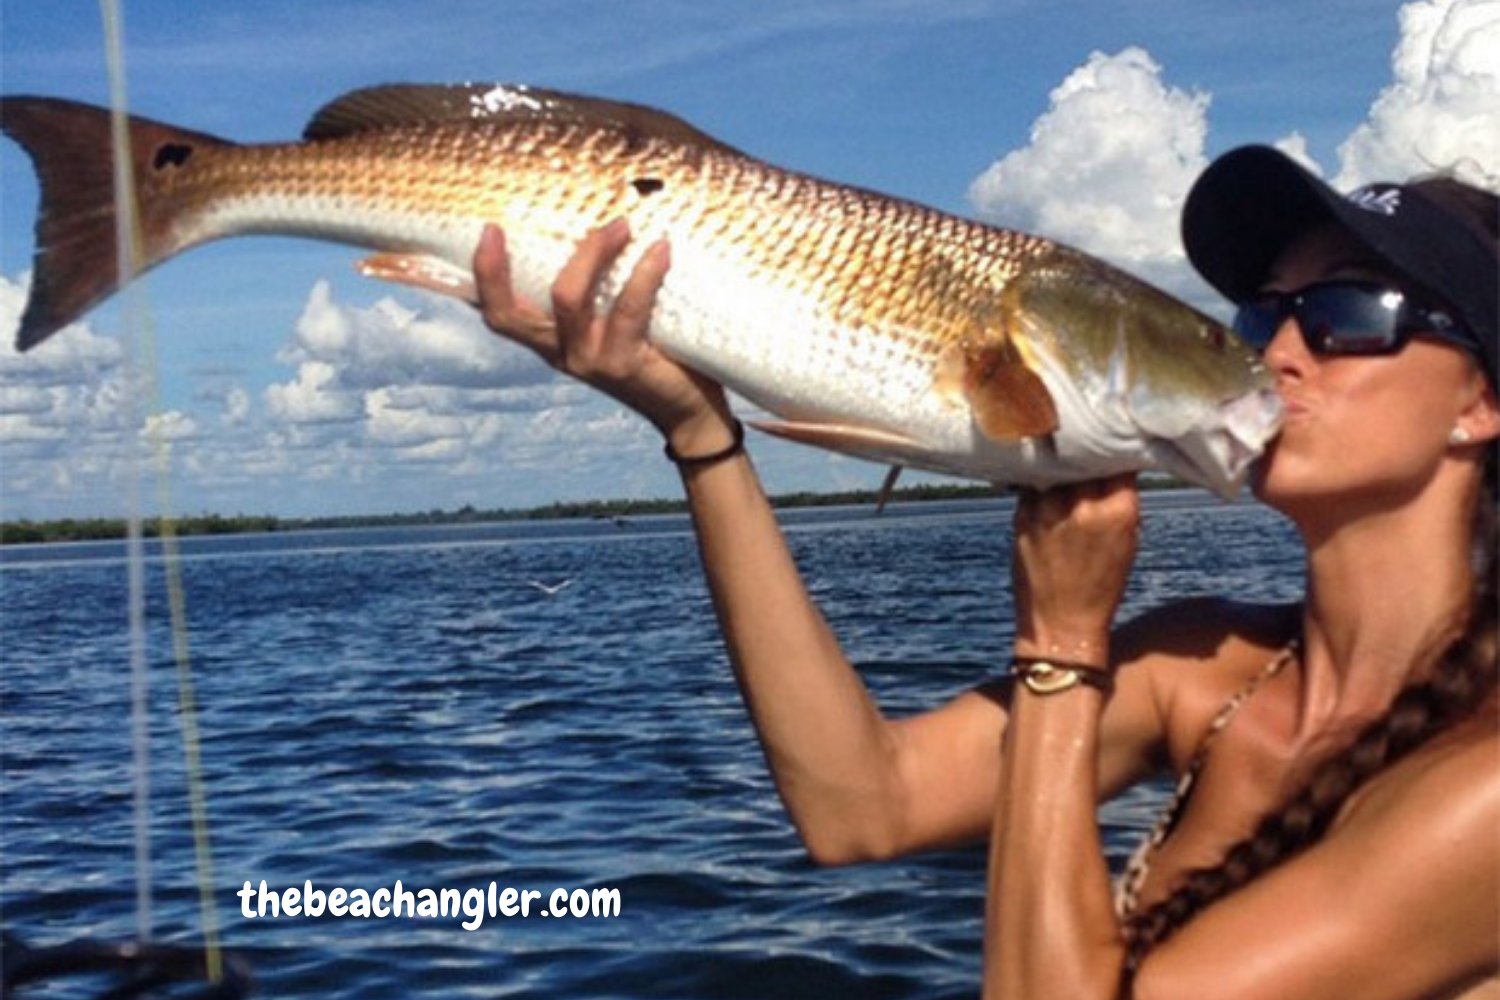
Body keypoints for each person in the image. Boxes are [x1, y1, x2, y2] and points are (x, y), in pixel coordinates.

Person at [471, 146, 1499, 999]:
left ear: (1480, 404)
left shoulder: (1483, 786)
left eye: (1348, 313)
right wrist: (702, 435)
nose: (1279, 353)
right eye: (1260, 317)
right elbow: (861, 805)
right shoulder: (1210, 670)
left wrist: (1059, 645)